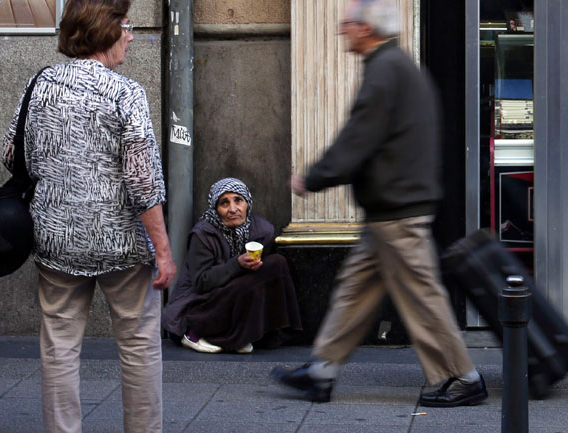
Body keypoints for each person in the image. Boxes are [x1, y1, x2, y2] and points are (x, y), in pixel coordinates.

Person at [271, 0, 487, 408]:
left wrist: (311, 178)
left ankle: (463, 377)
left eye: (348, 24)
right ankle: (321, 372)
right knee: (355, 290)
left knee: (422, 298)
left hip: (397, 212)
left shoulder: (385, 71)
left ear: (367, 28)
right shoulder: (398, 66)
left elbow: (358, 138)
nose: (341, 31)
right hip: (392, 208)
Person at [1, 0, 176, 431]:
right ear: (106, 31)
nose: (131, 36)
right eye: (126, 26)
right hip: (122, 243)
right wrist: (164, 249)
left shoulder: (38, 84)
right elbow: (143, 181)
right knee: (138, 345)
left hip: (56, 241)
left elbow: (10, 154)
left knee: (59, 348)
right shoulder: (125, 92)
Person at [163, 178, 302, 354]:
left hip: (239, 295)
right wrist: (237, 264)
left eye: (238, 200)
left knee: (276, 263)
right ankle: (195, 333)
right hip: (203, 303)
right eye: (224, 203)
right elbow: (201, 282)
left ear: (247, 203)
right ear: (216, 209)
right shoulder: (204, 234)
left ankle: (250, 334)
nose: (233, 209)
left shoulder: (261, 231)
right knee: (246, 284)